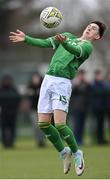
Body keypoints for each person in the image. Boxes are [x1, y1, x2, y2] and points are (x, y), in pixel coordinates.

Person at [9, 21, 106, 176]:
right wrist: (26, 38)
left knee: (60, 125)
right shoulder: (67, 35)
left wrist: (65, 42)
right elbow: (45, 42)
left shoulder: (88, 47)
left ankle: (77, 153)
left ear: (98, 36)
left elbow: (75, 49)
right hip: (47, 80)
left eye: (94, 28)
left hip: (62, 83)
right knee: (43, 124)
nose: (89, 28)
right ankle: (63, 152)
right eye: (89, 25)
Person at [69, 70, 91, 145]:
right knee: (76, 125)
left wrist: (88, 84)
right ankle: (75, 140)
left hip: (84, 108)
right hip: (76, 108)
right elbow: (71, 93)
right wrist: (76, 85)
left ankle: (80, 140)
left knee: (82, 125)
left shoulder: (86, 84)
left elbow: (90, 92)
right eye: (81, 75)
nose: (82, 76)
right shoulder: (74, 83)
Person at [0, 75, 20, 148]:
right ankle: (5, 143)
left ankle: (11, 142)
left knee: (12, 128)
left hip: (13, 113)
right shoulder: (1, 89)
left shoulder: (13, 89)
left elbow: (18, 99)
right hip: (3, 113)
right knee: (3, 128)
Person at [27, 72, 46, 147]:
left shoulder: (43, 86)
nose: (35, 79)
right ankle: (38, 141)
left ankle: (42, 141)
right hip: (33, 109)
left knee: (43, 126)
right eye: (34, 78)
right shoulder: (30, 86)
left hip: (42, 109)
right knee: (35, 126)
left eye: (37, 78)